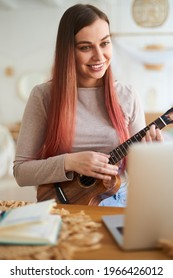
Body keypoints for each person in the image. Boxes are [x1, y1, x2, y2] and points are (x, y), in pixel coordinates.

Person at [13, 4, 163, 207]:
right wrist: (70, 162)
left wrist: (149, 155)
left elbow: (135, 174)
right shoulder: (43, 96)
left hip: (118, 202)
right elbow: (21, 173)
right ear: (68, 51)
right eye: (85, 47)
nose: (99, 56)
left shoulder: (127, 96)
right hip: (62, 205)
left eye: (105, 43)